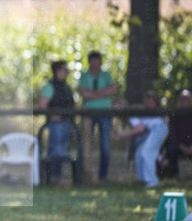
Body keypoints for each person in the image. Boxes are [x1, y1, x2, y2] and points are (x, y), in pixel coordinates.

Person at [77, 50, 118, 181]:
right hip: (88, 114)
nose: (96, 64)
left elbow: (113, 89)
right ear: (90, 62)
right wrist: (103, 93)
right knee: (86, 144)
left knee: (105, 145)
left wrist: (93, 94)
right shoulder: (84, 76)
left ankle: (103, 176)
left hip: (105, 114)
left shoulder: (106, 75)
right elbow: (85, 94)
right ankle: (86, 174)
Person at [116, 90, 168, 189]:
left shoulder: (130, 113)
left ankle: (152, 181)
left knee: (146, 153)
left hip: (158, 129)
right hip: (151, 133)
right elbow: (142, 130)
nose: (117, 110)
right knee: (140, 154)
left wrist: (125, 134)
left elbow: (140, 128)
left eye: (119, 107)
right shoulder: (139, 112)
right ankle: (142, 180)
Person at [40, 60, 76, 183]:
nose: (66, 72)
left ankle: (57, 176)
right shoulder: (50, 86)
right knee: (55, 150)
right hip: (56, 125)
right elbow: (43, 105)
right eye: (64, 69)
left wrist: (72, 126)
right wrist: (52, 115)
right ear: (57, 71)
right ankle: (52, 177)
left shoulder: (66, 87)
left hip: (67, 123)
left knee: (62, 149)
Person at [165, 89, 192, 178]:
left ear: (191, 100)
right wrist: (182, 146)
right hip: (179, 146)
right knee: (170, 150)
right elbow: (172, 134)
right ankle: (175, 175)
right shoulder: (174, 114)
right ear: (179, 101)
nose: (185, 101)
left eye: (187, 99)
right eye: (182, 99)